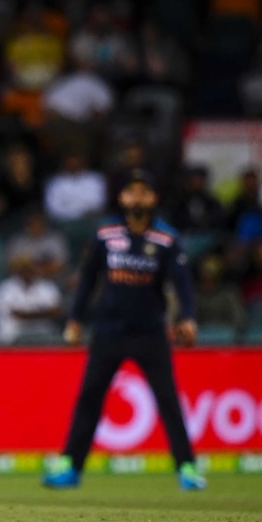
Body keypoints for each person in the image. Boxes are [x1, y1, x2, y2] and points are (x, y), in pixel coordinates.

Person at [43, 169, 207, 491]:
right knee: (90, 397)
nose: (137, 198)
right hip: (109, 331)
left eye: (143, 192)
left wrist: (187, 316)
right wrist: (75, 319)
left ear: (153, 198)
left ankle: (187, 467)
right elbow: (88, 279)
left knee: (168, 400)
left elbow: (182, 285)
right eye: (131, 192)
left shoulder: (166, 239)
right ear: (122, 198)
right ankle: (70, 466)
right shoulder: (106, 235)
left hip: (150, 332)